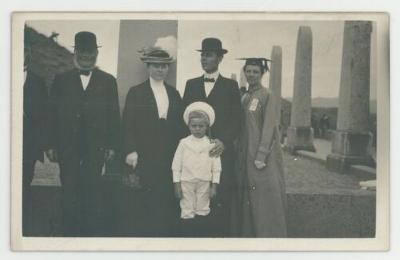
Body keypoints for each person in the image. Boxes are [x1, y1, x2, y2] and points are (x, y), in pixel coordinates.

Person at [47, 31, 121, 236]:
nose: (86, 57)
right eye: (82, 52)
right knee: (68, 191)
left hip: (95, 149)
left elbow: (113, 116)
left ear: (96, 53)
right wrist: (51, 145)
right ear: (75, 52)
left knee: (92, 193)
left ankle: (88, 238)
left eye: (90, 53)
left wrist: (112, 146)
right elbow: (51, 115)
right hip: (67, 148)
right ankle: (68, 237)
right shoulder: (61, 80)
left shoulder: (108, 81)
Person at [182, 38, 242, 237]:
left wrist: (224, 141)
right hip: (195, 155)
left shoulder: (231, 86)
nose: (204, 58)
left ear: (220, 58)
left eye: (208, 55)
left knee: (219, 199)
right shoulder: (191, 85)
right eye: (202, 54)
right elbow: (184, 119)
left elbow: (237, 120)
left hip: (221, 154)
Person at [122, 47, 184, 237]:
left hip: (168, 158)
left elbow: (180, 127)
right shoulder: (136, 92)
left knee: (165, 201)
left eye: (164, 66)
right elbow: (128, 123)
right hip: (144, 156)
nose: (160, 70)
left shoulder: (174, 94)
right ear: (148, 67)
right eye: (156, 66)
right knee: (144, 201)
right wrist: (131, 150)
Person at [235, 58, 287, 237]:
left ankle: (269, 238)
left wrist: (261, 154)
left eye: (255, 72)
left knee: (263, 198)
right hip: (244, 154)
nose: (251, 75)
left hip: (259, 156)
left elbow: (270, 127)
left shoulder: (267, 95)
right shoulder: (245, 97)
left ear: (262, 74)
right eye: (248, 71)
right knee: (248, 196)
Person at [172, 102, 221, 236]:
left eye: (201, 126)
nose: (197, 129)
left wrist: (214, 186)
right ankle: (187, 238)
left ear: (207, 126)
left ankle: (201, 237)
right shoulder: (184, 143)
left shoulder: (211, 144)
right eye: (194, 126)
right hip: (186, 182)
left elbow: (216, 168)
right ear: (188, 126)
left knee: (203, 209)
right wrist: (177, 185)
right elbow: (176, 165)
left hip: (204, 182)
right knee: (187, 210)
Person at [22, 27, 49, 236]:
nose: (21, 53)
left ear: (29, 53)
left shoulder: (37, 82)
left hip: (26, 147)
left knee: (23, 188)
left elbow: (42, 117)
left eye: (25, 49)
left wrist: (42, 146)